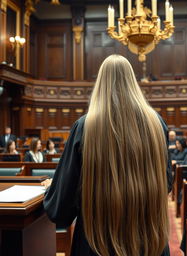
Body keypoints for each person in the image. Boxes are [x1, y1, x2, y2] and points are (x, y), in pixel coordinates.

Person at [42, 55, 172, 256]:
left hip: (97, 244)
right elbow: (167, 183)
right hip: (148, 242)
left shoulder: (84, 127)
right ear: (133, 82)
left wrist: (53, 190)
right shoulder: (157, 123)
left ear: (100, 84)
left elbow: (60, 208)